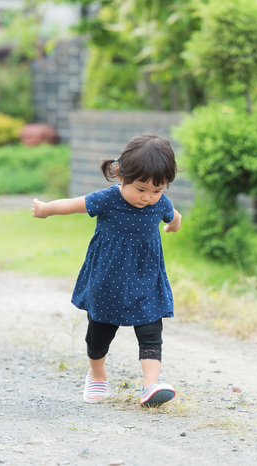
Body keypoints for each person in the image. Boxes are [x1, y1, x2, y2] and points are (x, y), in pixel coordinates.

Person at [32, 134, 182, 408]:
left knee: (151, 331)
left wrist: (173, 225)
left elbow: (174, 215)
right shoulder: (108, 199)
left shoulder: (160, 203)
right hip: (107, 280)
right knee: (100, 333)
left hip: (146, 279)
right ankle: (97, 374)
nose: (148, 197)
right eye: (140, 189)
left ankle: (151, 386)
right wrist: (44, 210)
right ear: (121, 175)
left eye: (157, 190)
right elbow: (71, 205)